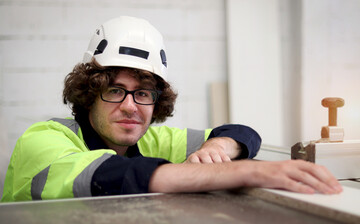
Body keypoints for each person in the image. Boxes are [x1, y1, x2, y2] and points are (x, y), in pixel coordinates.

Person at [1, 16, 342, 202]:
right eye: (116, 90)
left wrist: (220, 147)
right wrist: (248, 172)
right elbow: (111, 176)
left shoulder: (152, 141)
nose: (130, 106)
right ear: (89, 94)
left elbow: (243, 134)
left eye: (144, 93)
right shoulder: (43, 139)